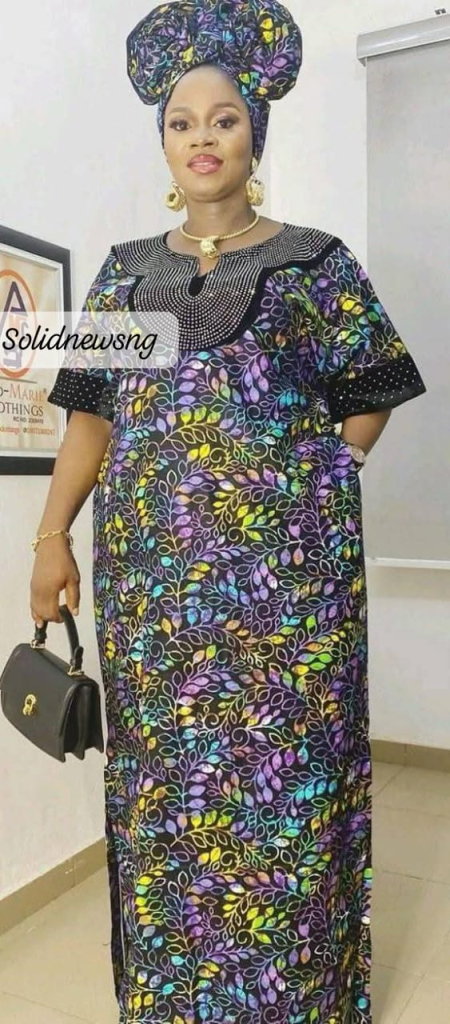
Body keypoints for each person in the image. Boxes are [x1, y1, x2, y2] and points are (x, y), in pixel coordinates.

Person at [31, 1, 427, 1021]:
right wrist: (50, 537)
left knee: (288, 791)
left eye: (223, 118)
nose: (202, 137)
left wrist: (320, 475)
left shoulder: (316, 261)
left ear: (257, 131)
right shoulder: (127, 274)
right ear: (163, 141)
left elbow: (374, 384)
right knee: (168, 791)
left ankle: (300, 998)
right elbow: (90, 417)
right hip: (155, 598)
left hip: (287, 599)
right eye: (182, 121)